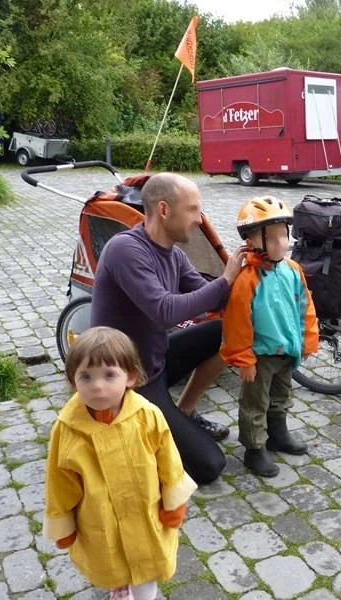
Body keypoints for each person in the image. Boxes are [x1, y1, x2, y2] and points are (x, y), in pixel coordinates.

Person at [90, 172, 245, 485]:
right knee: (210, 465)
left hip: (155, 361)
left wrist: (258, 280)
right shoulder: (126, 249)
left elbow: (208, 294)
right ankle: (128, 430)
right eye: (192, 209)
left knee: (224, 331)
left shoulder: (174, 254)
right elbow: (164, 311)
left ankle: (182, 412)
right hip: (130, 381)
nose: (199, 220)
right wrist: (226, 280)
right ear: (163, 209)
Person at [43, 326, 197, 600]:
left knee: (147, 569)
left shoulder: (147, 416)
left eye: (109, 375)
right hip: (100, 519)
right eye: (86, 377)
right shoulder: (67, 429)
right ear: (73, 380)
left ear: (131, 377)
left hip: (145, 516)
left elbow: (169, 461)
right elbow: (59, 480)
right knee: (114, 564)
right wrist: (63, 524)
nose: (97, 385)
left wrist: (175, 502)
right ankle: (120, 585)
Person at [220, 196, 319, 477]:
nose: (281, 243)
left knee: (280, 395)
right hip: (260, 356)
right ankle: (254, 449)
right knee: (255, 403)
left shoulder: (292, 270)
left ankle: (278, 434)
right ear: (252, 243)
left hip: (287, 351)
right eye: (271, 238)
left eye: (283, 236)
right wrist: (243, 359)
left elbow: (305, 308)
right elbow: (237, 323)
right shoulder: (246, 279)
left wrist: (307, 340)